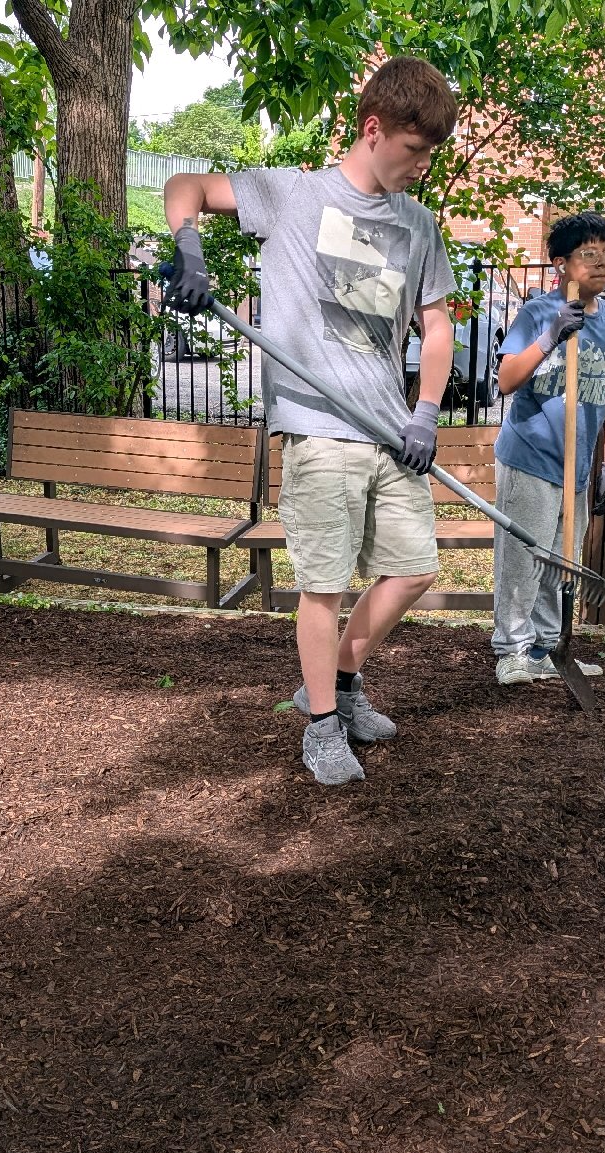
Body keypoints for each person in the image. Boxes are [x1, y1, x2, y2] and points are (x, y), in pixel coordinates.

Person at [161, 58, 458, 785]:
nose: (422, 166)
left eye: (430, 154)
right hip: (318, 427)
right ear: (372, 129)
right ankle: (324, 726)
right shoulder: (294, 195)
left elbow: (438, 323)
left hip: (391, 429)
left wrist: (425, 412)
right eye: (415, 150)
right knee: (323, 585)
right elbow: (186, 187)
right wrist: (189, 245)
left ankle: (338, 682)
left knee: (416, 567)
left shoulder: (418, 226)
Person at [491, 213, 605, 683]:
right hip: (530, 458)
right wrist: (550, 334)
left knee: (561, 562)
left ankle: (548, 649)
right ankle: (511, 648)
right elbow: (506, 380)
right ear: (560, 263)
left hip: (578, 468)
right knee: (523, 556)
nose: (602, 263)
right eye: (588, 254)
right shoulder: (538, 312)